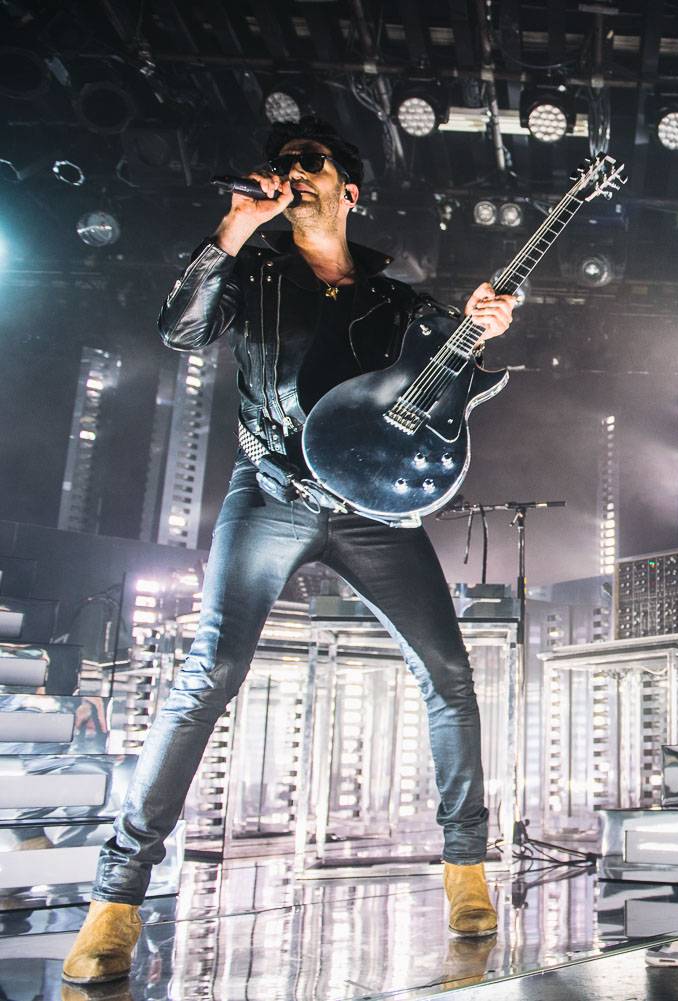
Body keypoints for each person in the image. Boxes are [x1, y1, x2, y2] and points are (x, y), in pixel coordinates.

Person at [62, 118, 518, 986]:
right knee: (210, 672)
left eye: (309, 163)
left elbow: (441, 394)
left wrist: (479, 331)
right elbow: (181, 333)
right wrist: (232, 230)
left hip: (374, 515)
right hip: (269, 493)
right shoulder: (254, 273)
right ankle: (116, 897)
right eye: (282, 165)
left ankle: (465, 868)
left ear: (348, 190)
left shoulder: (399, 302)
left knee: (449, 675)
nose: (291, 173)